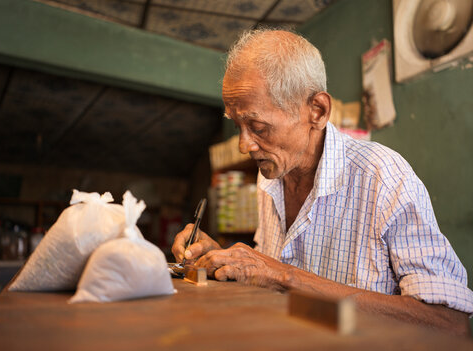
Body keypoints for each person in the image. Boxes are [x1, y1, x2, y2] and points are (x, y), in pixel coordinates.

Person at [172, 29, 473, 335]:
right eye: (238, 126)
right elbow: (271, 284)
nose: (243, 145)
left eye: (258, 127)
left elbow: (450, 324)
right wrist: (223, 258)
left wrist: (282, 276)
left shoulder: (384, 177)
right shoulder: (270, 180)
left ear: (317, 111)